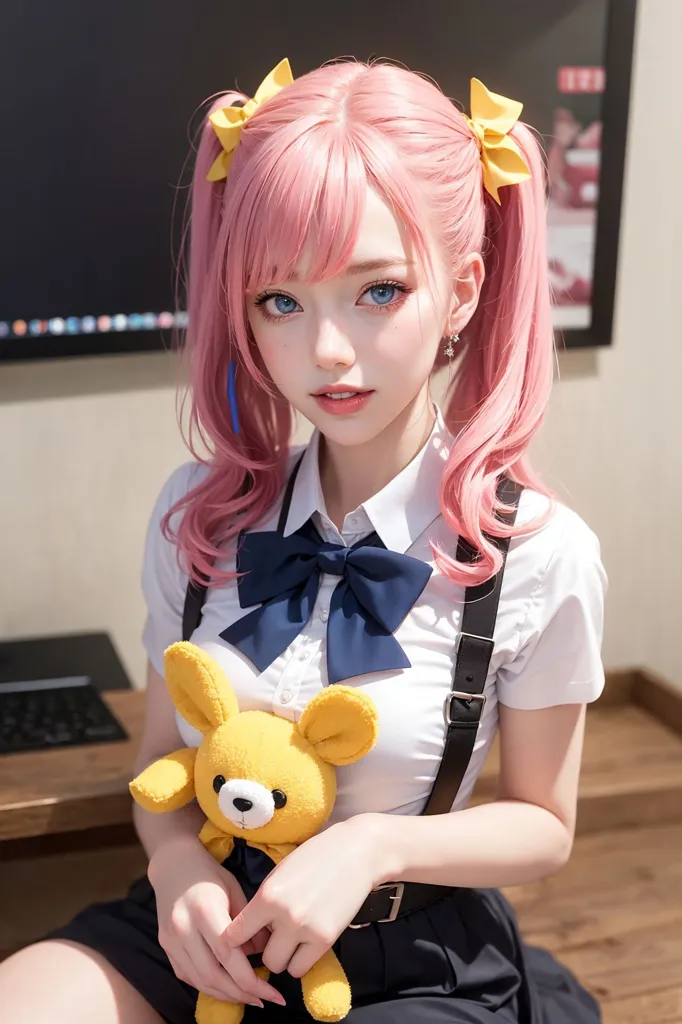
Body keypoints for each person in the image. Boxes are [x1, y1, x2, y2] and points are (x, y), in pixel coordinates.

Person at [0, 57, 607, 1024]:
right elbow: (159, 769)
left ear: (462, 291)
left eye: (378, 292)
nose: (327, 351)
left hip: (407, 955)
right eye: (280, 301)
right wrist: (176, 867)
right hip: (209, 928)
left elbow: (544, 826)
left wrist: (371, 847)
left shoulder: (535, 550)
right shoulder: (201, 513)